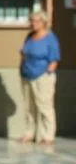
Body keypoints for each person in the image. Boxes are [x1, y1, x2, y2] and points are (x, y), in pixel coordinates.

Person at [19, 10, 60, 145]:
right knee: (29, 107)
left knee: (44, 106)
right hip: (26, 75)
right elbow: (23, 52)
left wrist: (48, 73)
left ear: (44, 22)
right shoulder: (29, 36)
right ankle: (29, 133)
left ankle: (48, 135)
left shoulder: (50, 38)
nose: (33, 24)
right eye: (31, 20)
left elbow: (54, 60)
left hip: (43, 76)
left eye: (36, 21)